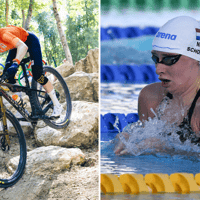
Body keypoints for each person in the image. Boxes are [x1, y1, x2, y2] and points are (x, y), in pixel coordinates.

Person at [115, 16, 200, 155]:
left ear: (196, 59)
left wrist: (170, 150)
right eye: (155, 58)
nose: (158, 69)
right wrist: (129, 140)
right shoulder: (151, 98)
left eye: (169, 59)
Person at [0, 25, 62, 117]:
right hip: (15, 47)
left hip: (29, 41)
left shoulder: (4, 35)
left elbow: (23, 47)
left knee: (38, 75)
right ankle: (20, 105)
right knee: (7, 78)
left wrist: (16, 63)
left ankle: (57, 105)